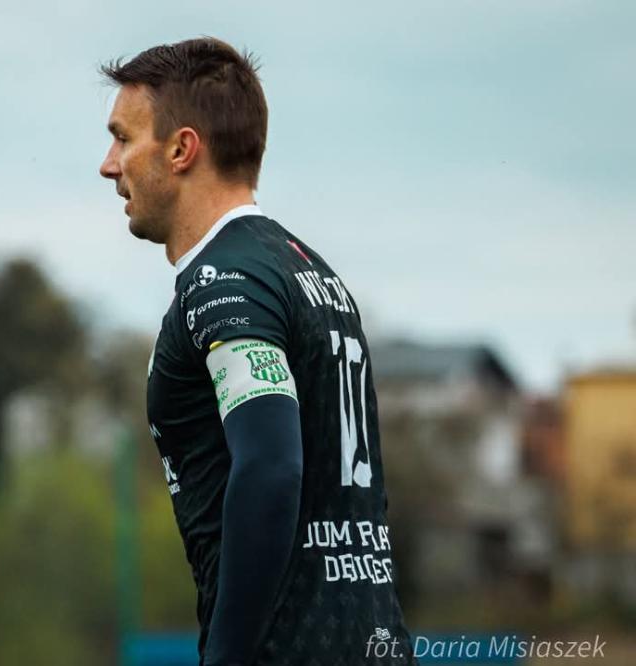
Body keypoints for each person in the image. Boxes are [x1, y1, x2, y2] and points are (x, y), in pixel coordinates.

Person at [99, 38, 417, 666]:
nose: (109, 165)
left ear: (182, 149)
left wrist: (226, 656)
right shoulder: (310, 270)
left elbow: (272, 468)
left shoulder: (226, 283)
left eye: (122, 138)